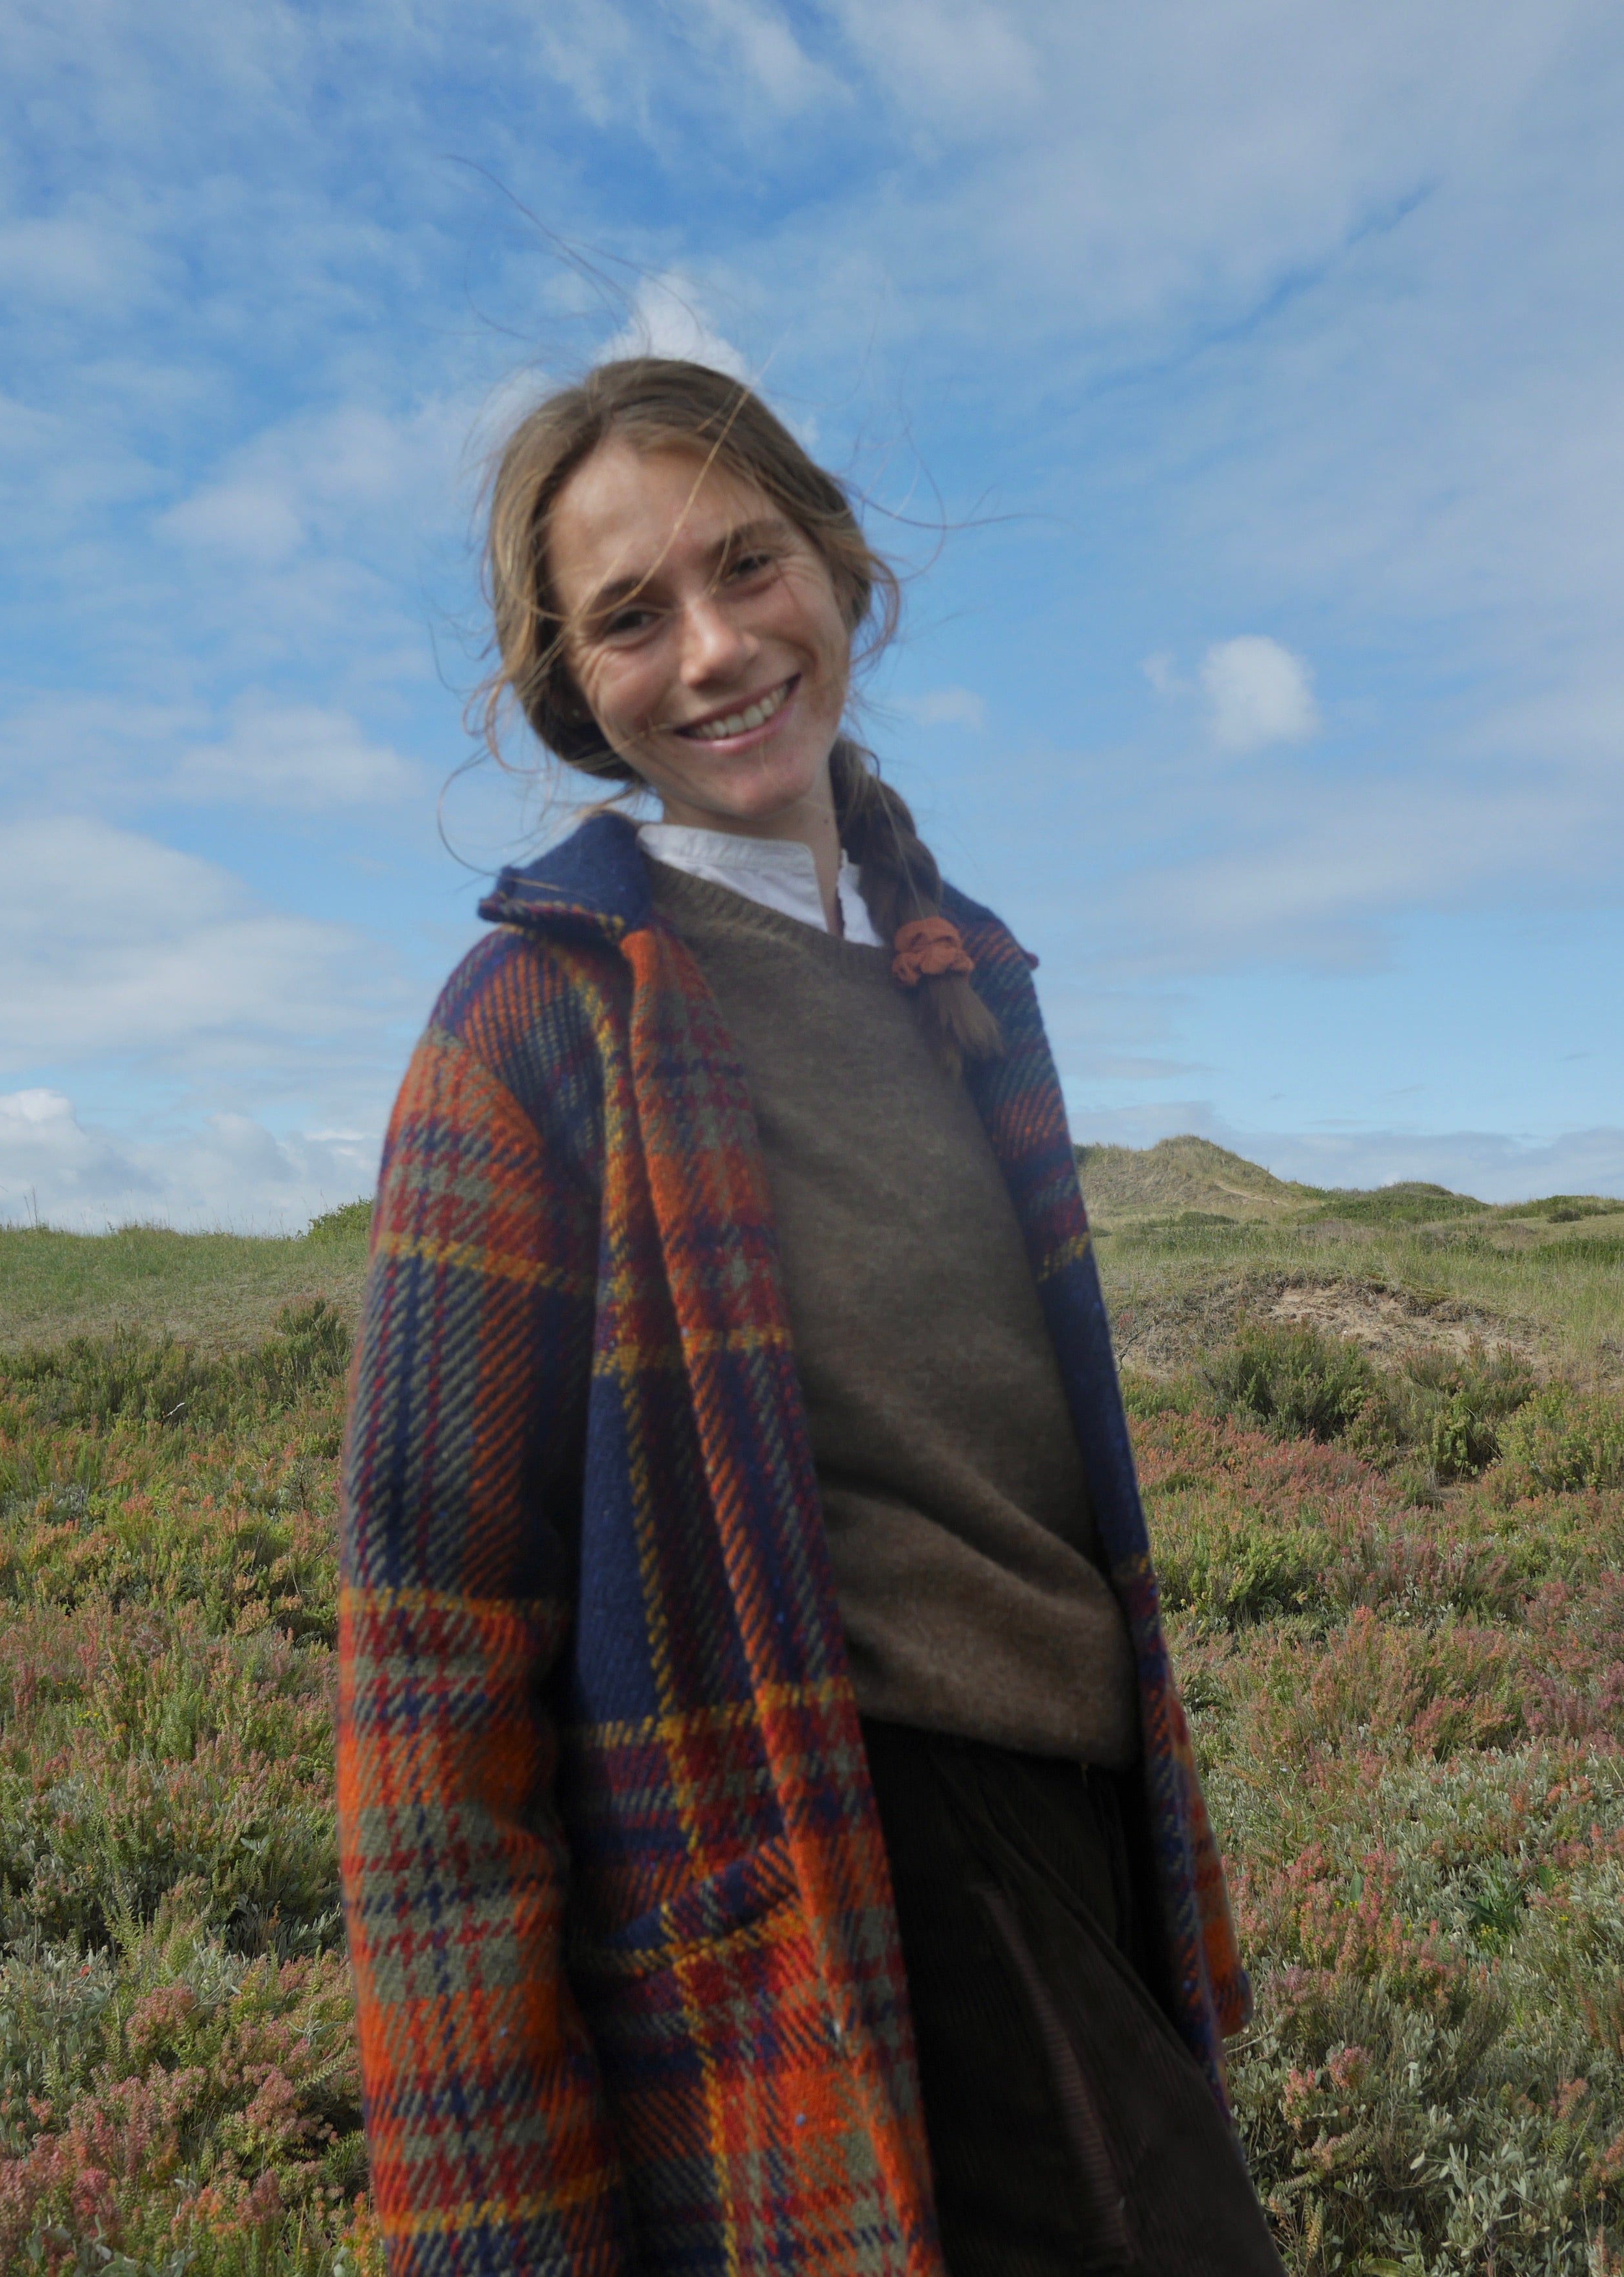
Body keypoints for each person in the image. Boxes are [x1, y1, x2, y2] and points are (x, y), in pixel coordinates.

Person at [337, 357, 1284, 2277]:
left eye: (745, 563)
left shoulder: (962, 968)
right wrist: (495, 2220)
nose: (710, 649)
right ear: (569, 687)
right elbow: (430, 1654)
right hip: (845, 1867)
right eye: (628, 616)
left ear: (838, 566)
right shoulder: (534, 1026)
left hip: (1083, 1828)